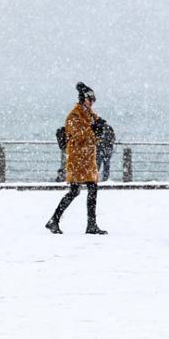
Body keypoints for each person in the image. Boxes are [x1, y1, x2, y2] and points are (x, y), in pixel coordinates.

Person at [45, 82, 107, 235]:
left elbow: (93, 137)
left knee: (92, 189)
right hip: (77, 159)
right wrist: (94, 131)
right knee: (75, 191)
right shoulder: (73, 116)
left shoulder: (91, 115)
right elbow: (78, 137)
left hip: (88, 159)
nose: (92, 102)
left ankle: (91, 224)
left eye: (94, 99)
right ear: (82, 99)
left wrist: (100, 130)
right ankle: (55, 219)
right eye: (89, 99)